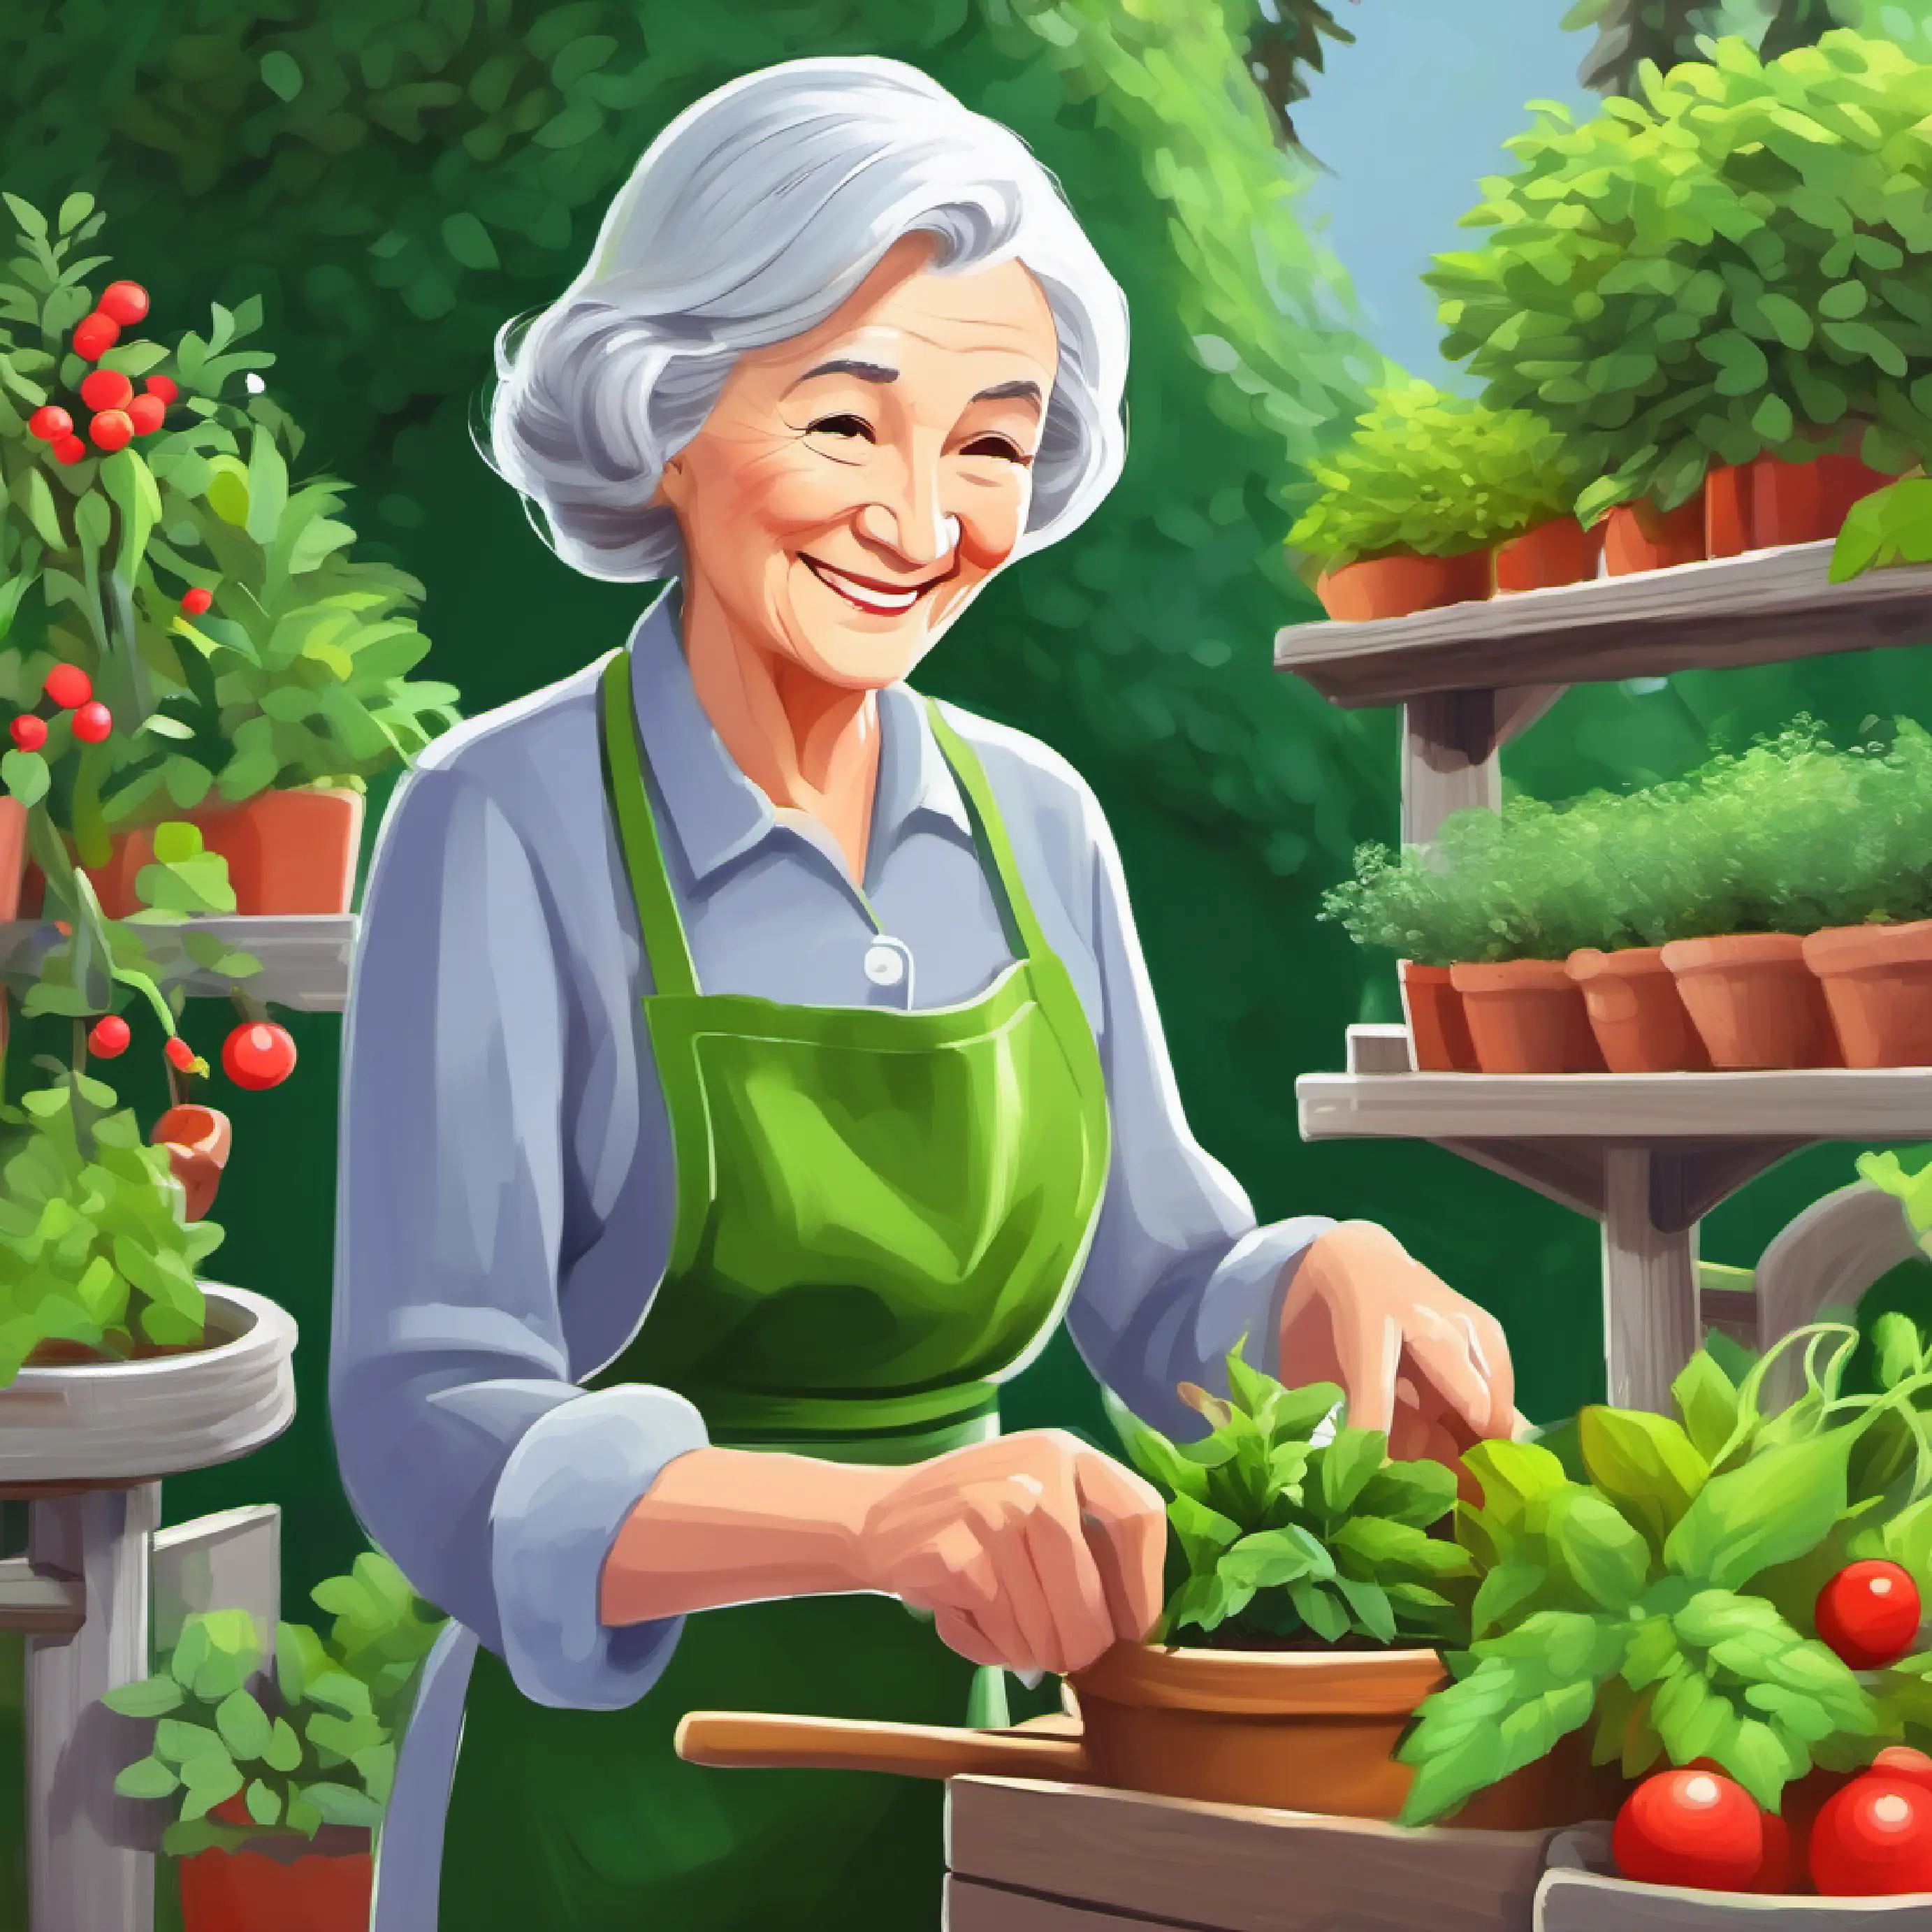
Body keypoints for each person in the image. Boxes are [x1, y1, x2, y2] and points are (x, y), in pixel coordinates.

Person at [329, 55, 1518, 1932]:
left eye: (988, 441)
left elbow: (1152, 1289)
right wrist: (875, 1525)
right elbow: (434, 1424)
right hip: (599, 1818)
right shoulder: (502, 817)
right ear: (666, 414)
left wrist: (1306, 1287)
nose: (919, 514)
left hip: (988, 1786)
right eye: (846, 422)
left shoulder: (1028, 818)